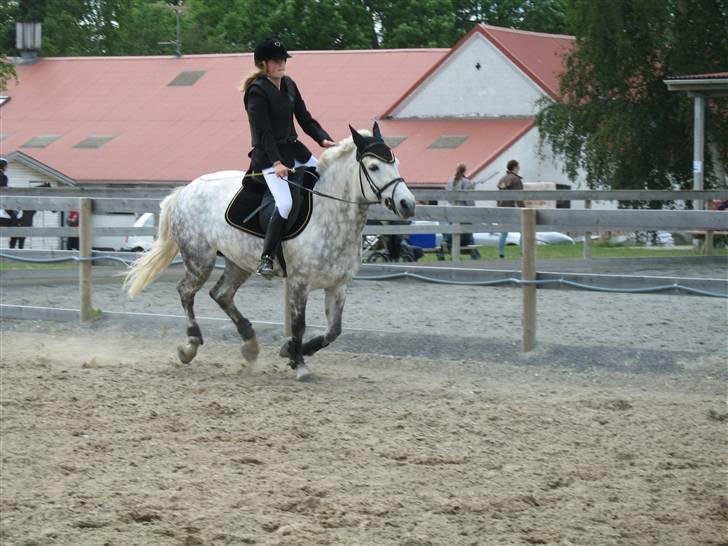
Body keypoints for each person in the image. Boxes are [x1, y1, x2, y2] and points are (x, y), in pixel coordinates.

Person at [241, 37, 336, 277]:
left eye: (283, 59)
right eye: (276, 60)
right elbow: (264, 132)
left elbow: (304, 118)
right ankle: (267, 258)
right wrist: (276, 162)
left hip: (295, 151)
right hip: (269, 155)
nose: (282, 63)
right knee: (285, 203)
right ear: (264, 64)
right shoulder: (257, 92)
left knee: (328, 180)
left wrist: (323, 139)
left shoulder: (289, 84)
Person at [445, 162, 480, 259]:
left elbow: (448, 198)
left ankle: (452, 251)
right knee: (468, 235)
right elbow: (469, 201)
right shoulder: (466, 182)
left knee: (452, 233)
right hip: (464, 214)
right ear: (465, 170)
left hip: (451, 213)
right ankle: (475, 256)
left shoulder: (450, 181)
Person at [496, 159, 525, 259]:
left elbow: (498, 197)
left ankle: (501, 254)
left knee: (503, 232)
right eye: (518, 167)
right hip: (513, 209)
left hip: (502, 209)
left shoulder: (502, 179)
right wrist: (524, 209)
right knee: (524, 231)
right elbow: (519, 197)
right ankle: (523, 254)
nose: (519, 169)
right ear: (515, 167)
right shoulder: (516, 180)